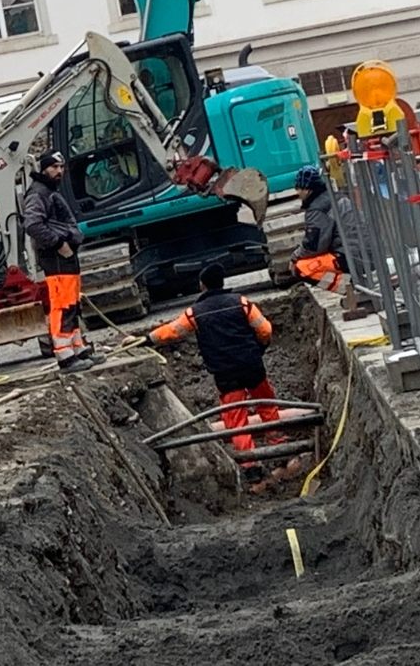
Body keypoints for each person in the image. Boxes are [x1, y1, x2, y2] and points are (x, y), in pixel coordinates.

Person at [142, 263, 284, 482]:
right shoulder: (242, 302)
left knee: (235, 419)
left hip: (225, 373)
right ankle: (280, 450)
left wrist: (147, 339)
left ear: (202, 286)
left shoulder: (195, 313)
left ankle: (251, 466)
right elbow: (264, 329)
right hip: (252, 365)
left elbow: (172, 331)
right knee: (267, 405)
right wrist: (260, 347)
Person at [23, 150, 92, 372]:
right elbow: (33, 225)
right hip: (57, 257)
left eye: (61, 167)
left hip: (66, 256)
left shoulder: (49, 192)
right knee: (62, 305)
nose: (59, 171)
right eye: (54, 167)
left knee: (72, 304)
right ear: (44, 169)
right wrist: (58, 244)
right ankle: (65, 356)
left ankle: (77, 348)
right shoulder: (38, 194)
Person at [290, 164, 351, 296]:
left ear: (307, 190)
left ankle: (348, 288)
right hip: (362, 250)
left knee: (301, 268)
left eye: (298, 188)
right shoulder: (335, 197)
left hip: (350, 255)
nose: (297, 193)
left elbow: (314, 246)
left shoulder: (317, 209)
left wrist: (295, 256)